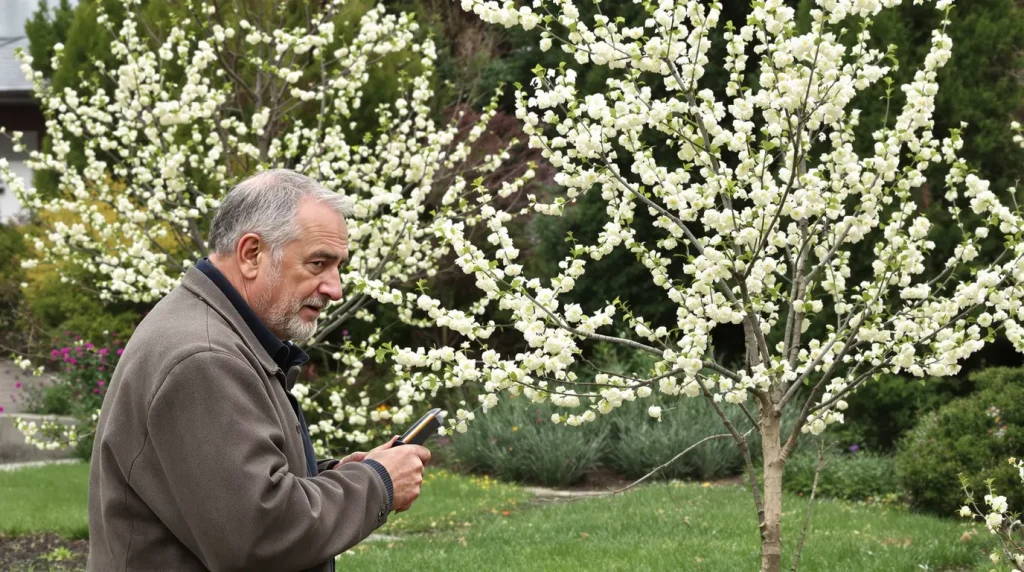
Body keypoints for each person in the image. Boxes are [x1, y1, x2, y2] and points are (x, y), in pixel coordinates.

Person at [87, 169, 430, 572]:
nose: (335, 289)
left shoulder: (213, 331)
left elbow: (230, 493)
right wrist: (379, 483)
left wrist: (339, 475)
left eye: (337, 266)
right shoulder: (205, 357)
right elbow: (259, 536)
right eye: (318, 263)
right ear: (251, 254)